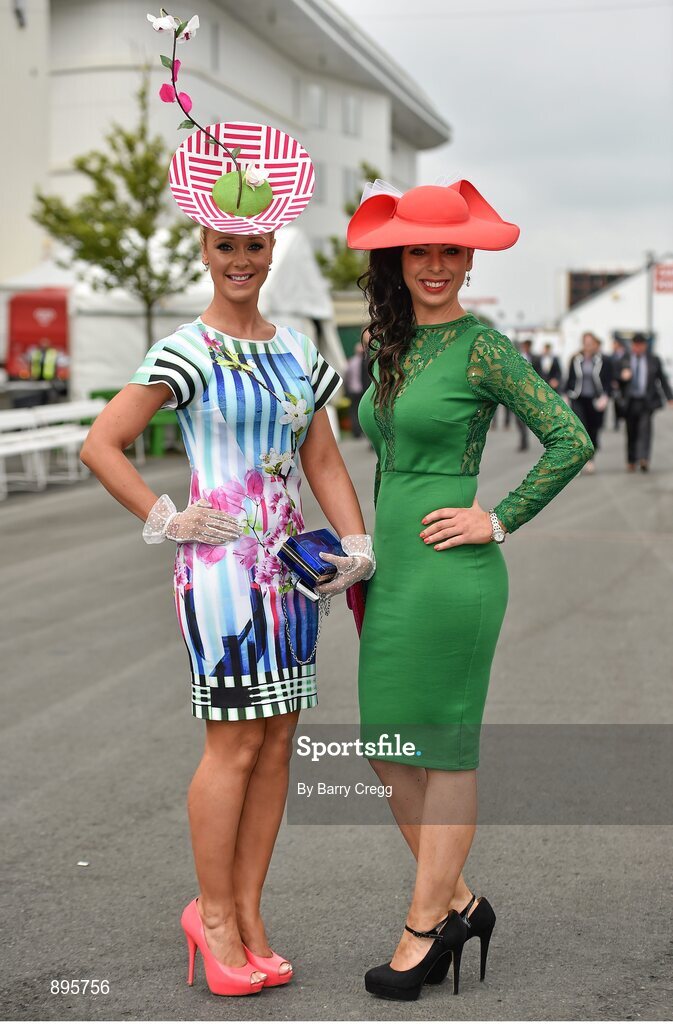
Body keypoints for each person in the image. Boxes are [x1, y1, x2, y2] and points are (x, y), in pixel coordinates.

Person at [81, 33, 374, 999]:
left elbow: (322, 454)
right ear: (203, 246)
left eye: (254, 244)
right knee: (234, 740)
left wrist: (356, 545)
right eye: (224, 245)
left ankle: (249, 912)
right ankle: (209, 920)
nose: (240, 258)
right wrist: (168, 519)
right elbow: (101, 444)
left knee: (281, 738)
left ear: (270, 244)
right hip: (218, 574)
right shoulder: (187, 350)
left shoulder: (295, 352)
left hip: (294, 573)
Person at [346, 178, 593, 1001]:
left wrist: (501, 517)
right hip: (394, 569)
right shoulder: (389, 337)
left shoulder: (482, 345)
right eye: (420, 249)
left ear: (468, 255)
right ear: (399, 257)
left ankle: (423, 931)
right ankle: (461, 901)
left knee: (441, 748)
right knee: (386, 746)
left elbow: (568, 436)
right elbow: (378, 457)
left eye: (451, 250)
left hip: (453, 574)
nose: (436, 264)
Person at [616, 332, 673, 471]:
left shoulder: (653, 359)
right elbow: (615, 376)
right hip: (630, 402)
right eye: (636, 345)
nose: (638, 348)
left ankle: (644, 459)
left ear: (645, 346)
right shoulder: (625, 358)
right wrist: (622, 377)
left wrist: (670, 397)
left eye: (641, 345)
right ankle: (631, 460)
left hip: (647, 401)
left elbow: (662, 379)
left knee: (645, 430)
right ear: (632, 345)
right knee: (631, 432)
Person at [565, 332, 612, 474]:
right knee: (580, 429)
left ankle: (591, 459)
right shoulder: (575, 359)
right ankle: (579, 462)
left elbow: (608, 381)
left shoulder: (602, 360)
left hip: (596, 399)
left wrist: (605, 396)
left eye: (591, 343)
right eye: (586, 342)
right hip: (578, 398)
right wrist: (567, 393)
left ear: (595, 344)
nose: (588, 345)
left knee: (594, 430)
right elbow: (570, 378)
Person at [345, 339, 368, 437]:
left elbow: (346, 376)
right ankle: (362, 431)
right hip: (362, 389)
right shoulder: (365, 361)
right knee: (361, 410)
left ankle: (356, 432)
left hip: (353, 390)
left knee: (354, 411)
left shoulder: (351, 362)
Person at [609, 337, 629, 429]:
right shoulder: (612, 356)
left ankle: (624, 417)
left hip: (625, 384)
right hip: (616, 383)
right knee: (616, 403)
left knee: (625, 403)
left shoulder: (627, 355)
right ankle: (617, 421)